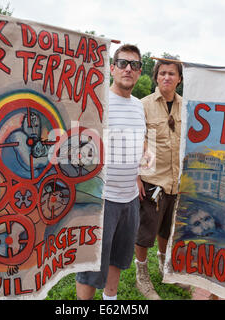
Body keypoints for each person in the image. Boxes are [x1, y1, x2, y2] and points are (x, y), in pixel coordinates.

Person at [75, 44, 146, 300]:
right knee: (91, 266)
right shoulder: (98, 100)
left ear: (139, 72)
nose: (129, 69)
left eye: (135, 65)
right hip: (102, 199)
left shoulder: (139, 106)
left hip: (129, 200)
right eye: (123, 63)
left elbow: (137, 142)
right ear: (112, 68)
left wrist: (137, 175)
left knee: (118, 258)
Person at [133, 57, 184, 299]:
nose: (166, 77)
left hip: (177, 181)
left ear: (179, 79)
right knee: (146, 231)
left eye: (171, 73)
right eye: (162, 73)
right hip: (152, 180)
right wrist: (137, 176)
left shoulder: (187, 107)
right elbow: (134, 142)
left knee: (168, 229)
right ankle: (141, 275)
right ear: (155, 77)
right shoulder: (142, 105)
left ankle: (165, 268)